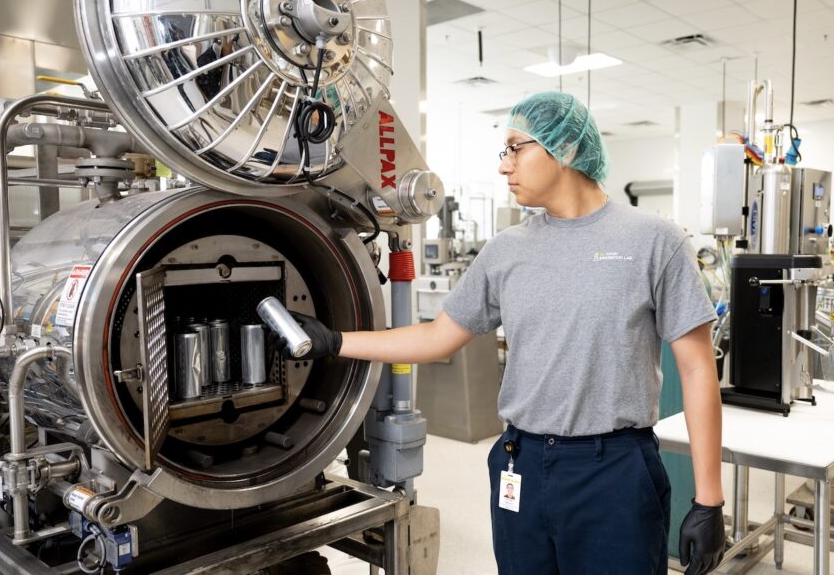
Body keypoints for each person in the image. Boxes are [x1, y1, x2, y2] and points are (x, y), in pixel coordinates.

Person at [276, 91, 726, 575]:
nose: (504, 166)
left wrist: (709, 500)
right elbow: (436, 338)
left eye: (515, 148)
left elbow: (699, 370)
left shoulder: (653, 240)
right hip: (522, 465)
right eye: (503, 151)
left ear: (567, 147)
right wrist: (336, 341)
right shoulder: (505, 251)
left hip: (612, 471)